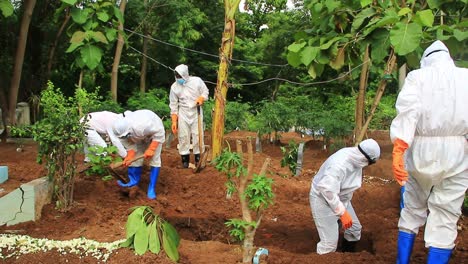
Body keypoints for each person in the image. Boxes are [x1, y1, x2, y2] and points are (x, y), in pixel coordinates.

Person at [390, 40, 468, 264]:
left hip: (420, 150)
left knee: (412, 207)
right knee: (446, 214)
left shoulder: (417, 77)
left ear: (426, 60)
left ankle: (402, 261)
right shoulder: (466, 77)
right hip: (458, 153)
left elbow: (408, 110)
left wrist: (399, 149)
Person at [309, 139, 381, 254]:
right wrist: (342, 213)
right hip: (322, 198)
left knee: (354, 229)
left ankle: (347, 256)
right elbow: (326, 189)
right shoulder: (339, 165)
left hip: (340, 197)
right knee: (329, 245)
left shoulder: (356, 158)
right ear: (365, 159)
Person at [111, 109, 165, 200]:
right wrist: (130, 156)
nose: (124, 138)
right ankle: (133, 182)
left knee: (154, 159)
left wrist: (152, 148)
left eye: (126, 136)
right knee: (135, 159)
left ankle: (151, 188)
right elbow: (130, 145)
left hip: (155, 134)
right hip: (137, 136)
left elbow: (160, 132)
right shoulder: (119, 132)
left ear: (129, 129)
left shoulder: (143, 125)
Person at [169, 64, 209, 168]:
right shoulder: (174, 87)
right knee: (183, 136)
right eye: (177, 77)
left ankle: (198, 160)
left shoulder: (197, 81)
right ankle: (185, 162)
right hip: (183, 112)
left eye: (180, 77)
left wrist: (201, 98)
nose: (178, 79)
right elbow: (173, 104)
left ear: (185, 75)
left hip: (196, 111)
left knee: (197, 135)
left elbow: (205, 92)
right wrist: (174, 121)